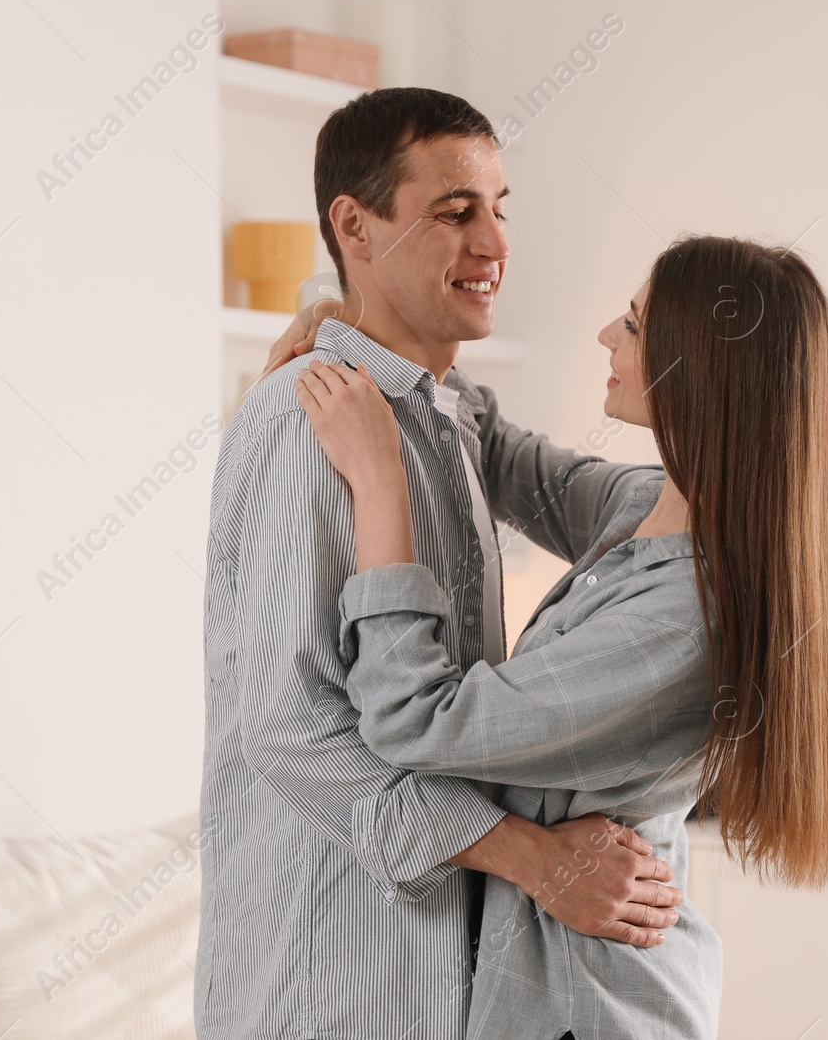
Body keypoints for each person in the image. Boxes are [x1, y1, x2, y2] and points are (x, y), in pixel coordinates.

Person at [289, 234, 828, 1039]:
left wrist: (380, 480)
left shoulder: (682, 620)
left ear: (695, 371)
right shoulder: (648, 504)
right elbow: (505, 457)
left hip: (589, 1005)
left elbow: (416, 720)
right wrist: (364, 326)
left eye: (634, 326)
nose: (607, 334)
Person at [195, 87, 685, 1040]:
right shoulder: (308, 423)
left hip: (446, 982)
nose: (494, 245)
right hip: (328, 983)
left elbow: (580, 489)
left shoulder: (449, 419)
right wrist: (537, 860)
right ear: (355, 226)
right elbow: (292, 731)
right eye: (456, 212)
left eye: (500, 210)